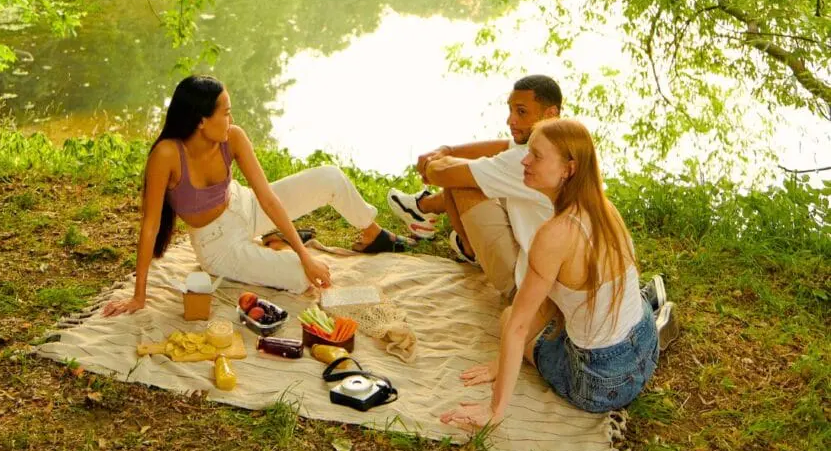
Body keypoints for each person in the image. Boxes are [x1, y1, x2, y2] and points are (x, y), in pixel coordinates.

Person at [102, 75, 413, 316]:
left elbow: (267, 197)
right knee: (302, 278)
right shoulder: (167, 155)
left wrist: (305, 255)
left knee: (329, 177)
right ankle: (277, 243)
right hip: (219, 245)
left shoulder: (232, 137)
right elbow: (150, 227)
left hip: (245, 205)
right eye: (225, 113)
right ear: (201, 120)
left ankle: (371, 234)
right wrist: (138, 295)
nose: (231, 120)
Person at [440, 119, 674, 429]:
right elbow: (553, 300)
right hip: (643, 342)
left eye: (536, 155)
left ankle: (641, 335)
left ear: (568, 169)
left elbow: (519, 326)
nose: (524, 160)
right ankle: (655, 323)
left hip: (601, 384)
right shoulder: (605, 209)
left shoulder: (555, 235)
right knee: (547, 311)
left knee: (509, 317)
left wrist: (494, 409)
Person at [387, 75, 562, 297]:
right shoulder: (563, 143)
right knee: (469, 173)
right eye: (510, 110)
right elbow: (501, 146)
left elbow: (446, 174)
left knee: (461, 180)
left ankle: (467, 247)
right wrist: (447, 150)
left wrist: (432, 164)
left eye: (521, 111)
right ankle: (427, 211)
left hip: (526, 286)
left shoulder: (527, 159)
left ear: (550, 113)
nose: (510, 120)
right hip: (547, 270)